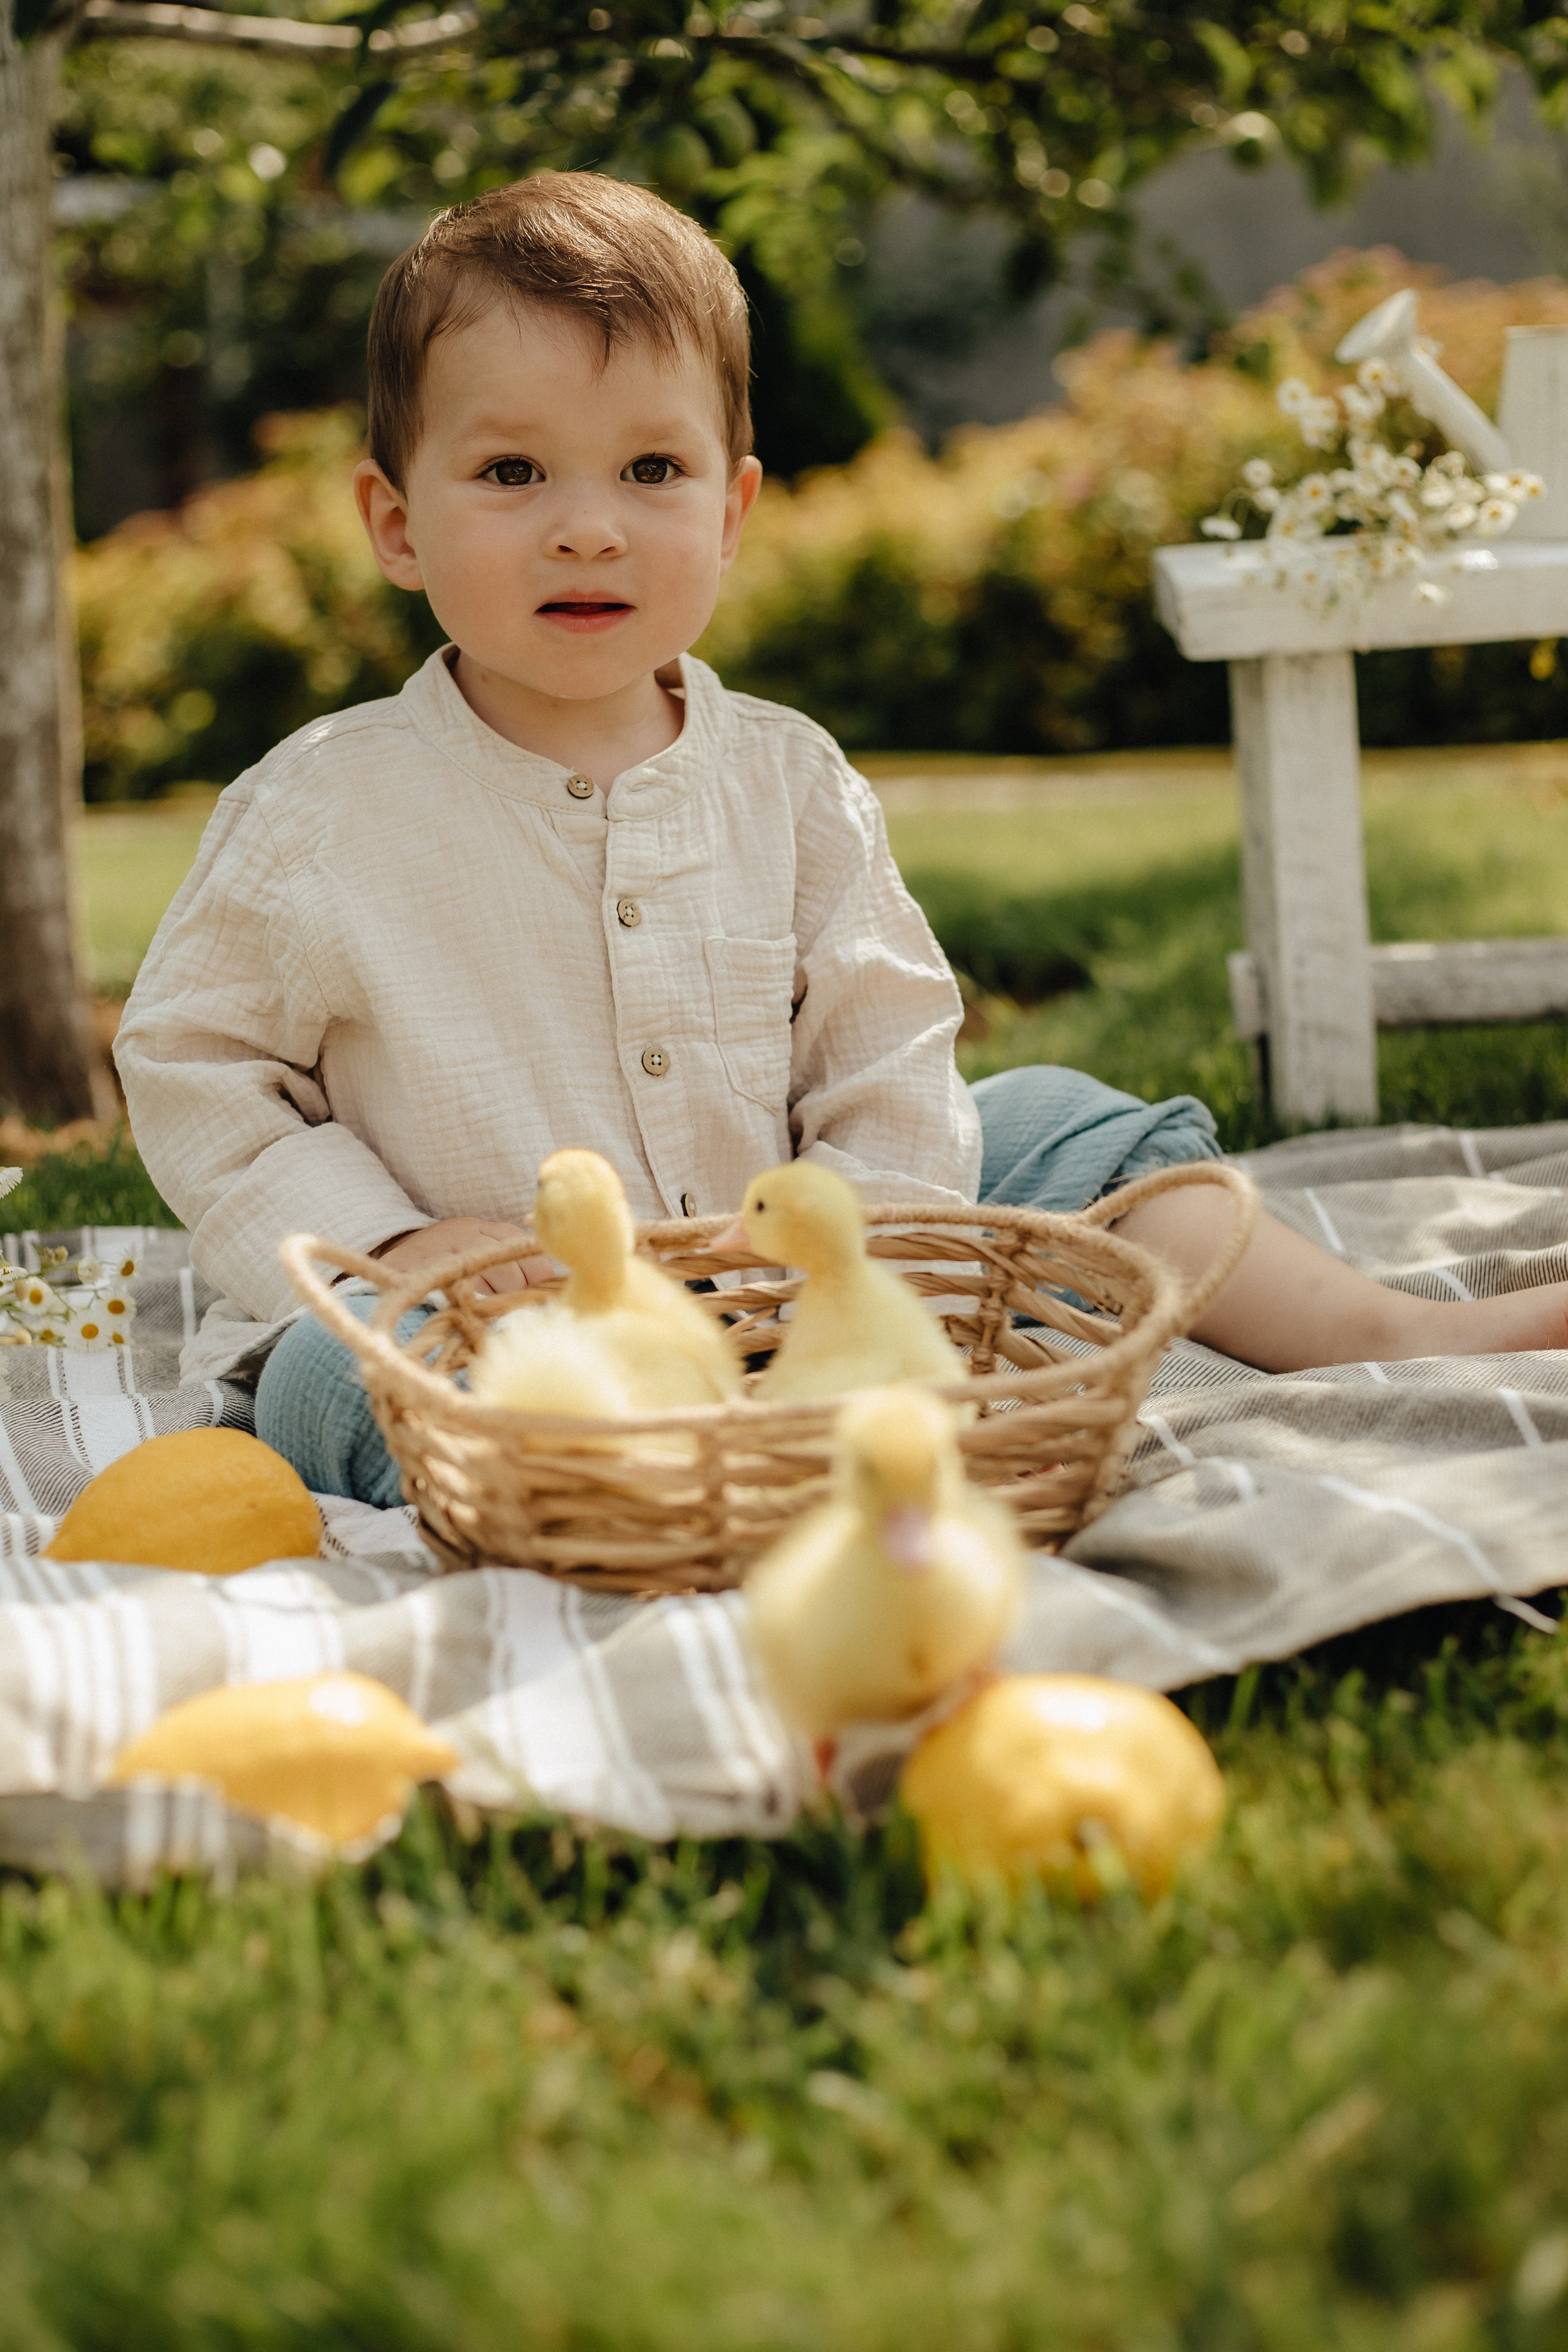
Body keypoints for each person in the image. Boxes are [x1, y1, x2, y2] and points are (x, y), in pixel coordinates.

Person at [115, 173, 1568, 1510]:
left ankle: (1389, 1333)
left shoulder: (790, 783)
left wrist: (862, 1240)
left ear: (732, 510)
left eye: (650, 472)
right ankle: (632, 1491)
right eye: (511, 476)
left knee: (1060, 1123)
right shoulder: (318, 813)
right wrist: (385, 1243)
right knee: (333, 1371)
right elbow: (197, 1068)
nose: (588, 530)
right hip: (500, 1322)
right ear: (393, 521)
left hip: (807, 1275)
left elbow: (884, 1046)